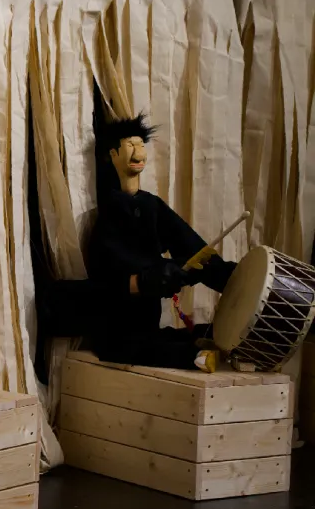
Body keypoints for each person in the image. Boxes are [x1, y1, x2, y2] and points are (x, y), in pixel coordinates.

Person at [78, 85, 237, 372]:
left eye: (141, 145)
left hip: (148, 323)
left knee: (208, 333)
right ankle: (196, 356)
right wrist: (150, 277)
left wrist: (231, 279)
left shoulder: (150, 205)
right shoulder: (108, 212)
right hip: (117, 330)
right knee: (166, 348)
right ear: (112, 155)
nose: (139, 152)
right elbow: (108, 272)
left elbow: (190, 246)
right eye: (130, 146)